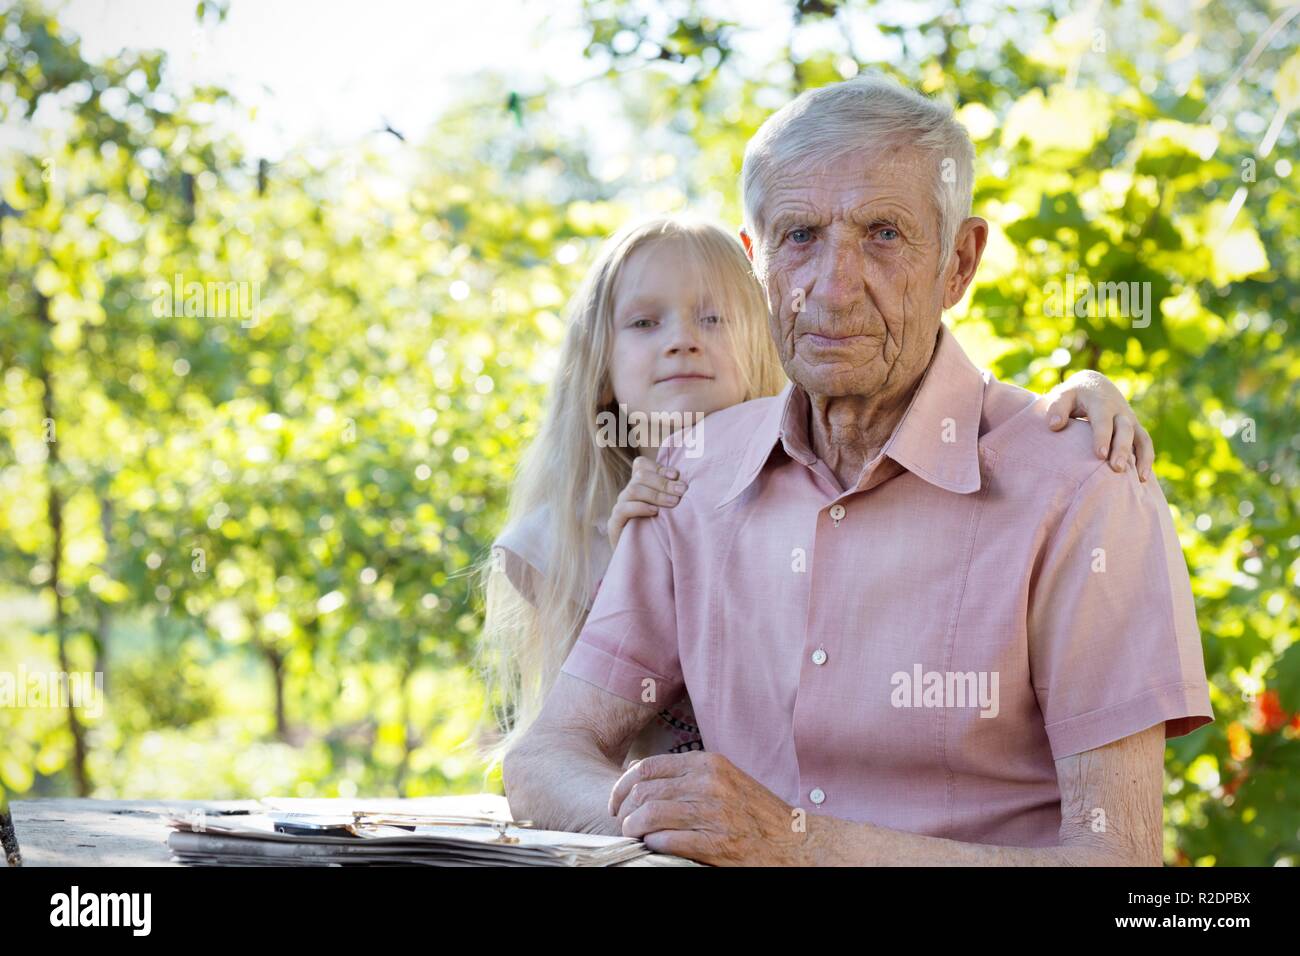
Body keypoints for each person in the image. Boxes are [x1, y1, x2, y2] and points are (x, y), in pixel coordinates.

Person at [501, 75, 1213, 866]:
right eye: (799, 235)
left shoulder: (1082, 487)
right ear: (757, 263)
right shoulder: (691, 475)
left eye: (883, 233)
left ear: (959, 262)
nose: (834, 291)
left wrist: (794, 847)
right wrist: (680, 833)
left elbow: (1117, 865)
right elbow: (543, 757)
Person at [478, 212, 1156, 778]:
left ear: (769, 339)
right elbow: (566, 744)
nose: (682, 341)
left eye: (713, 319)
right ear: (599, 370)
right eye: (645, 323)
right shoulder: (559, 538)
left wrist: (1087, 391)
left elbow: (961, 410)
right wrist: (628, 568)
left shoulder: (823, 477)